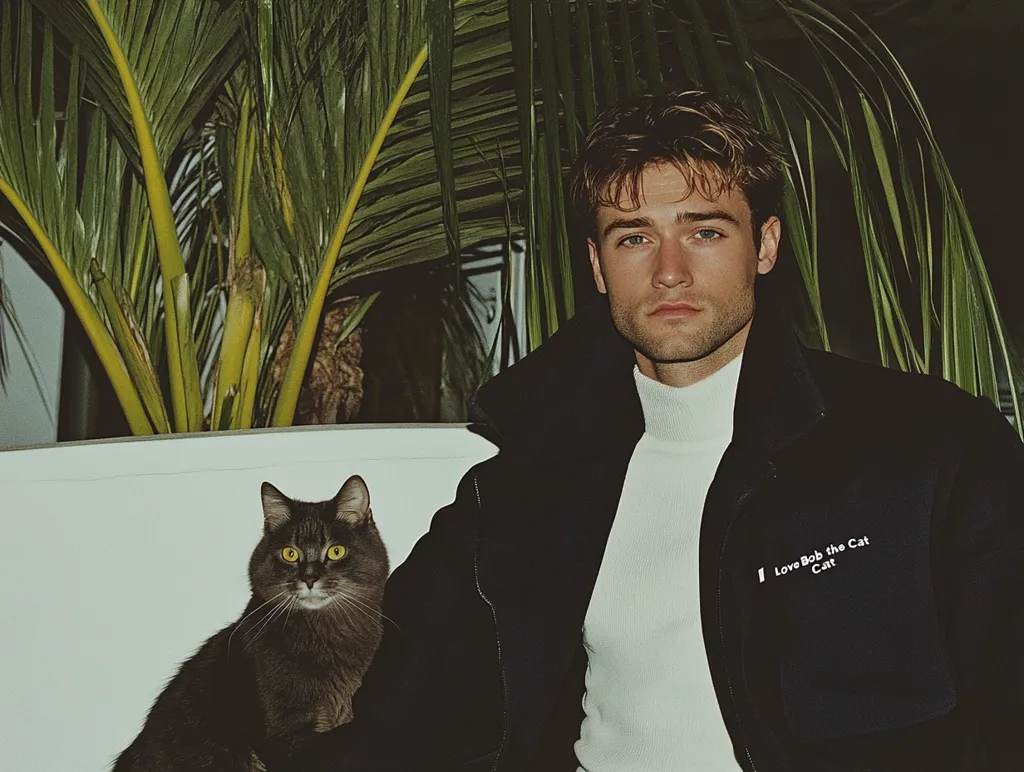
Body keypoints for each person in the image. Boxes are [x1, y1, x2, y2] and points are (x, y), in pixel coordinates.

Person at [265, 90, 1023, 771]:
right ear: (597, 266)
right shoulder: (525, 486)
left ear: (764, 245)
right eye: (633, 237)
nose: (668, 271)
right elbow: (404, 722)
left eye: (703, 232)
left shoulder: (926, 447)